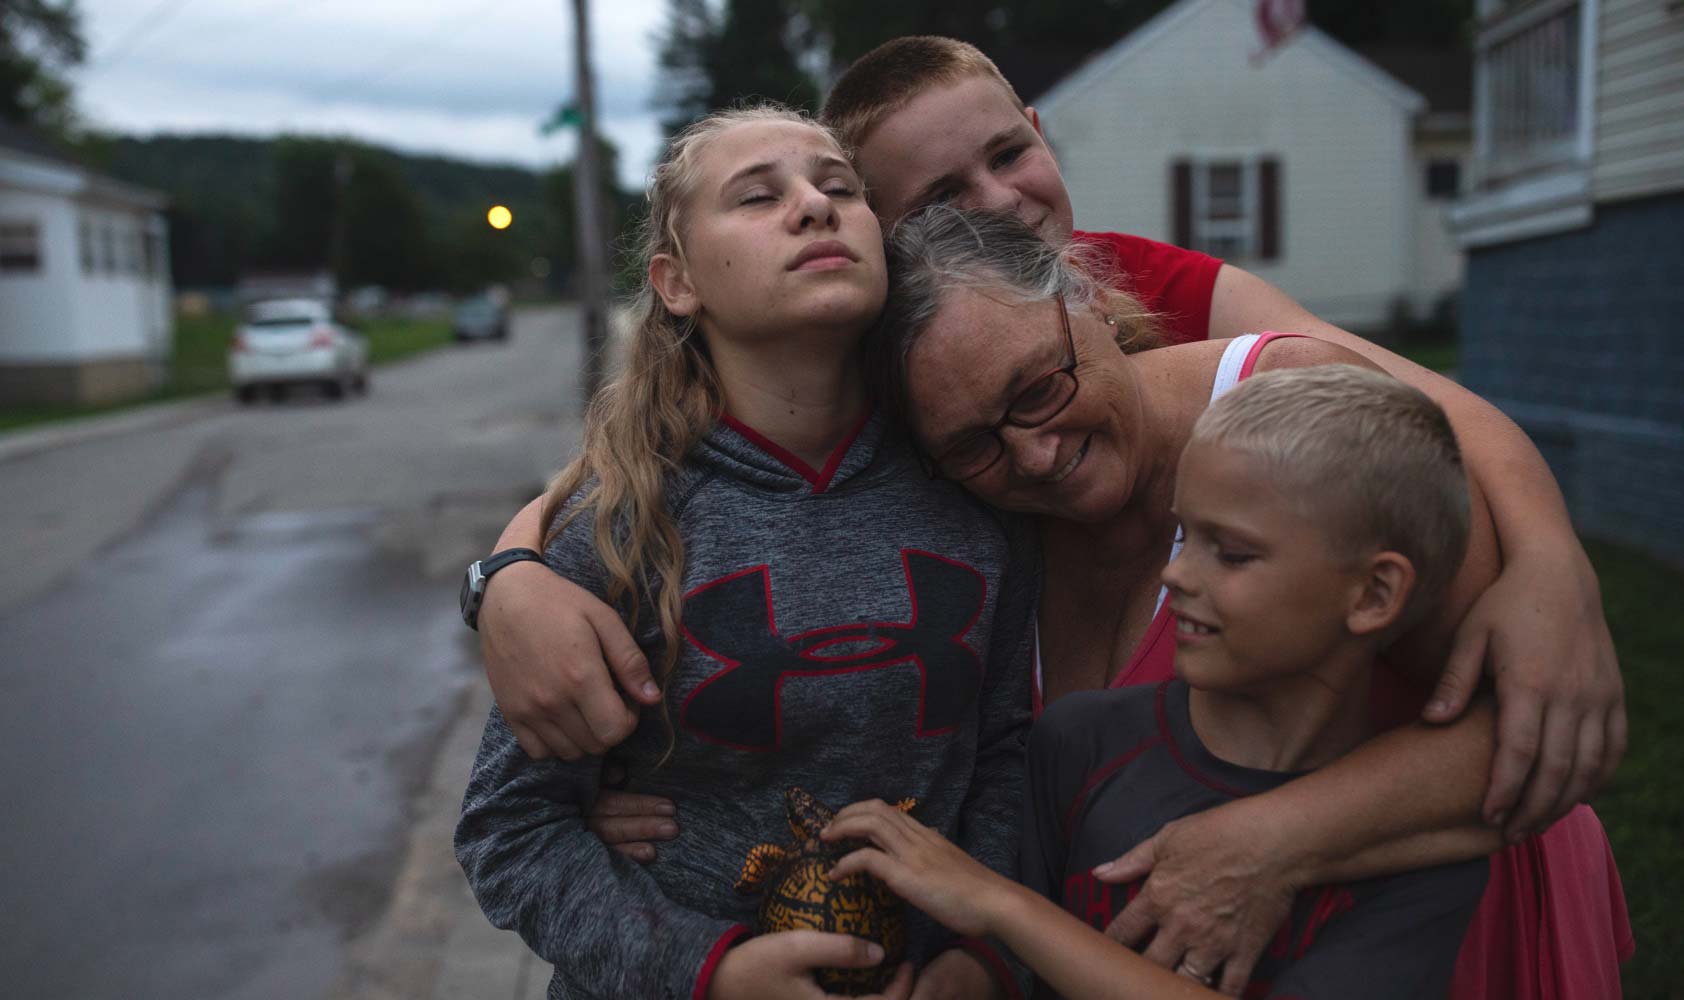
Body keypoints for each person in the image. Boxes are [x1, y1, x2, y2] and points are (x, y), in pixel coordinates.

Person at [471, 36, 1630, 996]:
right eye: (931, 196)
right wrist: (508, 580)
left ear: (1092, 298)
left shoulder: (1221, 361)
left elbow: (1431, 419)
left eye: (1045, 387)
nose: (1030, 448)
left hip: (1416, 917)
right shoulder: (928, 445)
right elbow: (660, 496)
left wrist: (1548, 558)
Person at [454, 108, 1036, 1000]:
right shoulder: (617, 533)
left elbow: (1005, 756)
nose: (814, 206)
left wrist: (987, 958)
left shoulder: (977, 483)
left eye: (840, 187)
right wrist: (706, 974)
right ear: (677, 282)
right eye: (758, 196)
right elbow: (512, 834)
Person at [826, 363, 1494, 1000]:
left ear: (1375, 593)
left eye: (1230, 552)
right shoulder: (1081, 740)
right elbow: (1015, 970)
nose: (1176, 575)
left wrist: (1002, 907)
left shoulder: (1418, 844)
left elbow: (1014, 920)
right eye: (1184, 537)